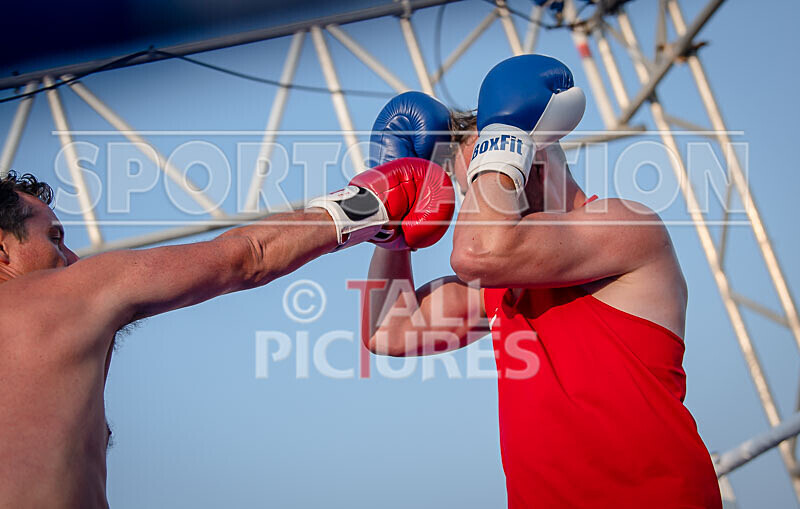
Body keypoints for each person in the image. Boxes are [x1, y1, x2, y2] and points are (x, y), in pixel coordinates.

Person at [364, 55, 722, 508]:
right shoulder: (498, 287)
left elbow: (480, 251)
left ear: (522, 165)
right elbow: (388, 330)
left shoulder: (626, 224)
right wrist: (392, 225)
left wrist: (498, 145)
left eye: (478, 183)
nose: (472, 204)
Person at [0, 152, 453, 508]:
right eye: (54, 238)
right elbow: (247, 256)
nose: (72, 259)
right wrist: (371, 205)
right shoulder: (62, 295)